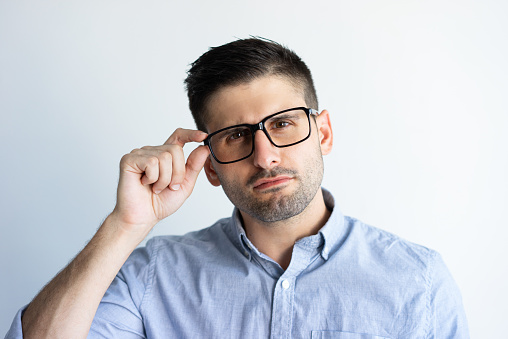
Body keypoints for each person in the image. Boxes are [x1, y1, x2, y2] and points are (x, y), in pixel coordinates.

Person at [6, 38, 469, 338]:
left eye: (283, 124)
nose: (265, 155)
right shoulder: (152, 278)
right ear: (209, 165)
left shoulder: (418, 280)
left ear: (322, 133)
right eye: (236, 136)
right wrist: (125, 224)